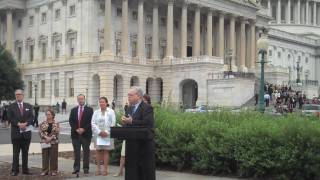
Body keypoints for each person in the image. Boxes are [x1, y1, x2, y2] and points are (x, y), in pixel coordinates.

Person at [121, 86, 155, 180]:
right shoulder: (128, 108)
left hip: (144, 146)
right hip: (132, 145)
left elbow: (148, 123)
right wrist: (124, 123)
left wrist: (131, 121)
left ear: (138, 96)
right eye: (128, 95)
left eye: (130, 95)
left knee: (144, 172)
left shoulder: (147, 108)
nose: (128, 97)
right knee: (132, 172)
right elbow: (129, 124)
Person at [7, 89, 34, 176]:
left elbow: (32, 117)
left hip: (26, 134)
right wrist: (18, 124)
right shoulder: (11, 106)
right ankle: (15, 170)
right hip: (16, 134)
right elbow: (10, 118)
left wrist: (26, 123)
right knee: (16, 153)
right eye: (16, 95)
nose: (18, 96)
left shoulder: (28, 106)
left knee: (25, 153)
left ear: (23, 95)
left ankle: (25, 170)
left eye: (19, 94)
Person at [69, 94, 93, 174]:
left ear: (84, 99)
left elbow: (91, 121)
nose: (80, 100)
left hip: (86, 135)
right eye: (79, 99)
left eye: (82, 99)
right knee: (76, 152)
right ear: (77, 100)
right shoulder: (73, 110)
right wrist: (76, 129)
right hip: (75, 135)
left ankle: (86, 168)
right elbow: (71, 121)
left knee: (86, 152)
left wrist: (84, 129)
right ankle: (76, 168)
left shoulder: (90, 110)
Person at [91, 97, 115, 176]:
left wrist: (107, 132)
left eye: (103, 102)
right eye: (100, 102)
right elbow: (93, 123)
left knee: (106, 151)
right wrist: (99, 132)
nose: (101, 103)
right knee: (98, 151)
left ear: (106, 103)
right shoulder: (96, 112)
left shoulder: (111, 111)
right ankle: (98, 169)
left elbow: (113, 123)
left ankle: (105, 169)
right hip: (98, 134)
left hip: (107, 134)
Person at [39, 109, 60, 176]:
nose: (47, 116)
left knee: (53, 157)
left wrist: (50, 138)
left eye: (49, 114)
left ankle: (54, 170)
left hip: (53, 142)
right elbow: (40, 132)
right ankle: (45, 170)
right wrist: (46, 138)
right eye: (46, 114)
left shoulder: (56, 123)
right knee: (45, 157)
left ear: (52, 115)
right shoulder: (42, 123)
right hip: (45, 142)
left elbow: (57, 132)